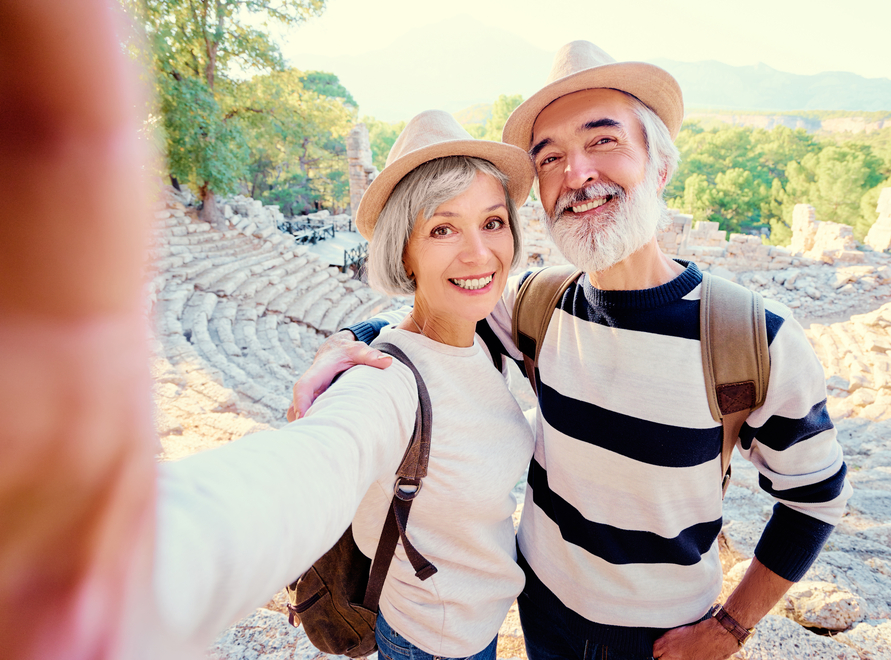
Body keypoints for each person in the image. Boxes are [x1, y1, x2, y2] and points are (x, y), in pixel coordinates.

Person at [0, 3, 538, 654]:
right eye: (443, 228)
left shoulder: (495, 326)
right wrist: (116, 562)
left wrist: (356, 330)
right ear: (405, 252)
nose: (480, 252)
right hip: (429, 642)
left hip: (481, 626)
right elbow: (304, 471)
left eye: (492, 221)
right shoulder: (385, 385)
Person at [288, 42, 853, 660]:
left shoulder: (753, 337)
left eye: (603, 141)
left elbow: (814, 497)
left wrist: (731, 627)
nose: (576, 174)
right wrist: (350, 344)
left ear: (660, 166)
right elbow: (434, 313)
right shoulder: (537, 304)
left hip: (663, 636)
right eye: (550, 157)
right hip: (543, 608)